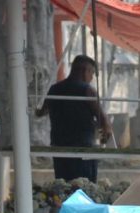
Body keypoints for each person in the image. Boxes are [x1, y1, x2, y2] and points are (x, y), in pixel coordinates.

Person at [37, 55, 112, 183]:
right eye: (92, 73)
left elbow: (41, 112)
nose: (92, 77)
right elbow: (103, 119)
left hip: (59, 148)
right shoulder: (88, 91)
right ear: (85, 71)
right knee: (85, 187)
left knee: (64, 185)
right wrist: (106, 133)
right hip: (83, 149)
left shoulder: (54, 89)